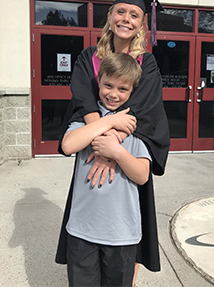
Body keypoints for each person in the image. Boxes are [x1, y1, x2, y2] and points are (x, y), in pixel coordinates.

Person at [55, 0, 170, 285]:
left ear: (142, 23)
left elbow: (143, 112)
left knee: (126, 250)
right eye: (120, 11)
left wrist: (112, 152)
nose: (126, 19)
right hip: (93, 146)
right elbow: (83, 102)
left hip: (127, 150)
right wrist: (100, 144)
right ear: (109, 16)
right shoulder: (87, 58)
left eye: (134, 14)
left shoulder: (146, 64)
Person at [61, 52, 151, 286]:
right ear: (98, 82)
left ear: (133, 91)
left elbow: (142, 176)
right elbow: (68, 145)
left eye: (123, 89)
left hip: (122, 233)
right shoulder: (85, 119)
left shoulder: (135, 126)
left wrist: (117, 151)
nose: (113, 93)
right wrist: (109, 122)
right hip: (82, 231)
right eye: (108, 85)